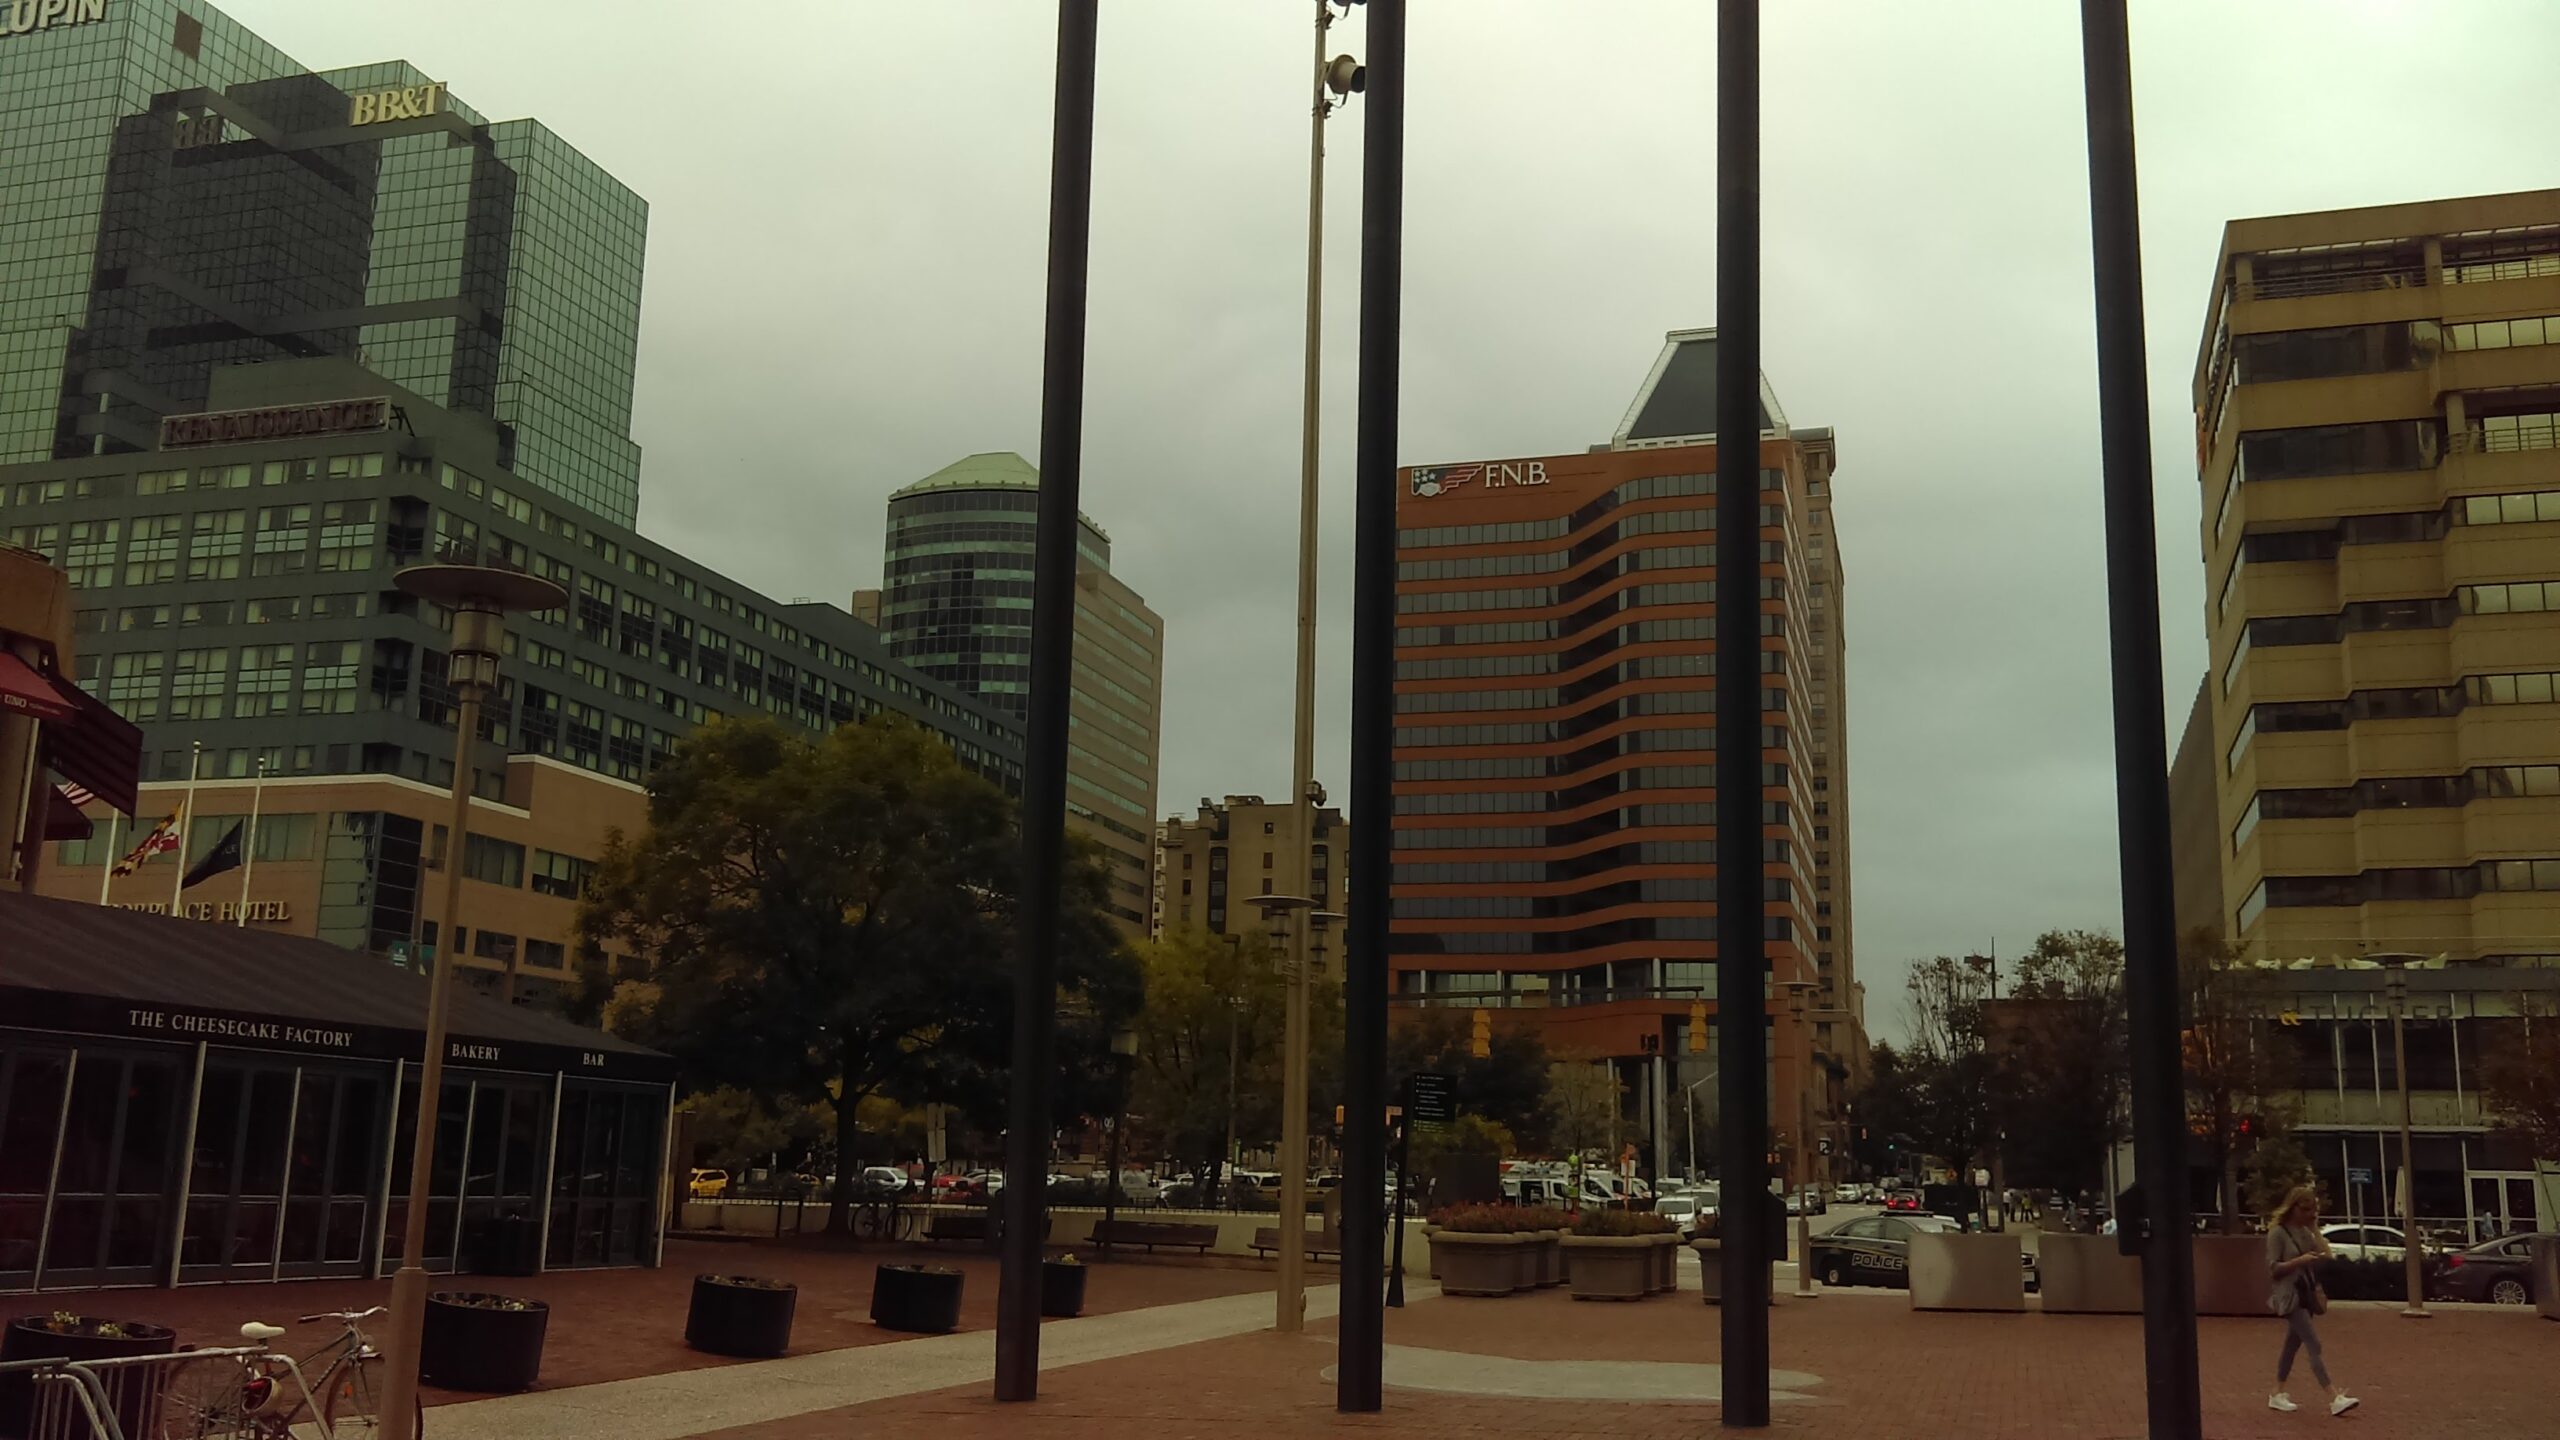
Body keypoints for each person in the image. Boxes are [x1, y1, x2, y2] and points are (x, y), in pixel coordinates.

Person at [2266, 1185, 2357, 1416]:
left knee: (2291, 1346)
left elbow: (2326, 1255)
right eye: (2306, 1210)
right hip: (2289, 1296)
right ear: (2294, 1207)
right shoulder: (2278, 1233)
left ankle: (2277, 1392)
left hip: (2306, 1294)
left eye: (2312, 1211)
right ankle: (2333, 1396)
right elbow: (2273, 1268)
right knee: (2313, 1343)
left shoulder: (2305, 1232)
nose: (2309, 1215)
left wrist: (2315, 1230)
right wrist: (2299, 1260)